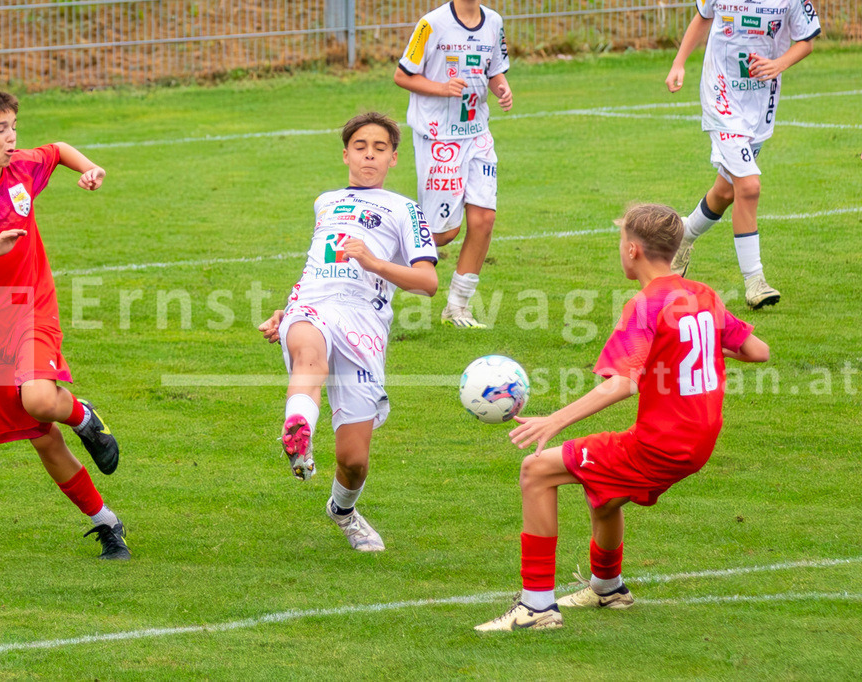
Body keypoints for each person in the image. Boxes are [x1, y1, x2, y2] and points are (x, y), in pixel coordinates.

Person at [475, 204, 769, 631]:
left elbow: (621, 383)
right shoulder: (703, 295)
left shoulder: (645, 305)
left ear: (632, 250)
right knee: (603, 490)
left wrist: (553, 420)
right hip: (698, 442)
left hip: (661, 444)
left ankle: (536, 608)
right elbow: (758, 351)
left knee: (536, 470)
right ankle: (607, 588)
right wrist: (688, 346)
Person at [0, 87, 129, 560]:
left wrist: (90, 168)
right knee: (42, 439)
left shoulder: (20, 169)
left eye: (14, 127)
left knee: (40, 399)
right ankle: (107, 524)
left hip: (32, 308)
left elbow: (58, 151)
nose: (12, 137)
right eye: (2, 129)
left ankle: (81, 414)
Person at [258, 112, 438, 551]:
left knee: (353, 461)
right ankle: (298, 431)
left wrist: (374, 263)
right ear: (346, 155)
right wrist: (286, 308)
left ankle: (343, 511)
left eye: (379, 148)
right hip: (313, 305)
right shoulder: (325, 201)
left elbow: (428, 282)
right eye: (360, 147)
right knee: (308, 356)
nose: (369, 155)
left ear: (394, 158)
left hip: (364, 321)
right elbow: (315, 263)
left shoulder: (405, 209)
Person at [665, 0, 821, 309]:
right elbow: (702, 17)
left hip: (760, 102)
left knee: (725, 192)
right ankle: (755, 281)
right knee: (749, 187)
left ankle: (684, 235)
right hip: (720, 95)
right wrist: (678, 62)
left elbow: (806, 41)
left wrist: (779, 64)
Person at [394, 0, 512, 329]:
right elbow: (402, 75)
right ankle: (375, 264)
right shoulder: (430, 24)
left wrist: (503, 88)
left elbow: (494, 70)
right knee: (443, 234)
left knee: (484, 219)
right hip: (439, 138)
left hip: (477, 135)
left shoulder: (494, 22)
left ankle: (457, 307)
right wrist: (441, 88)